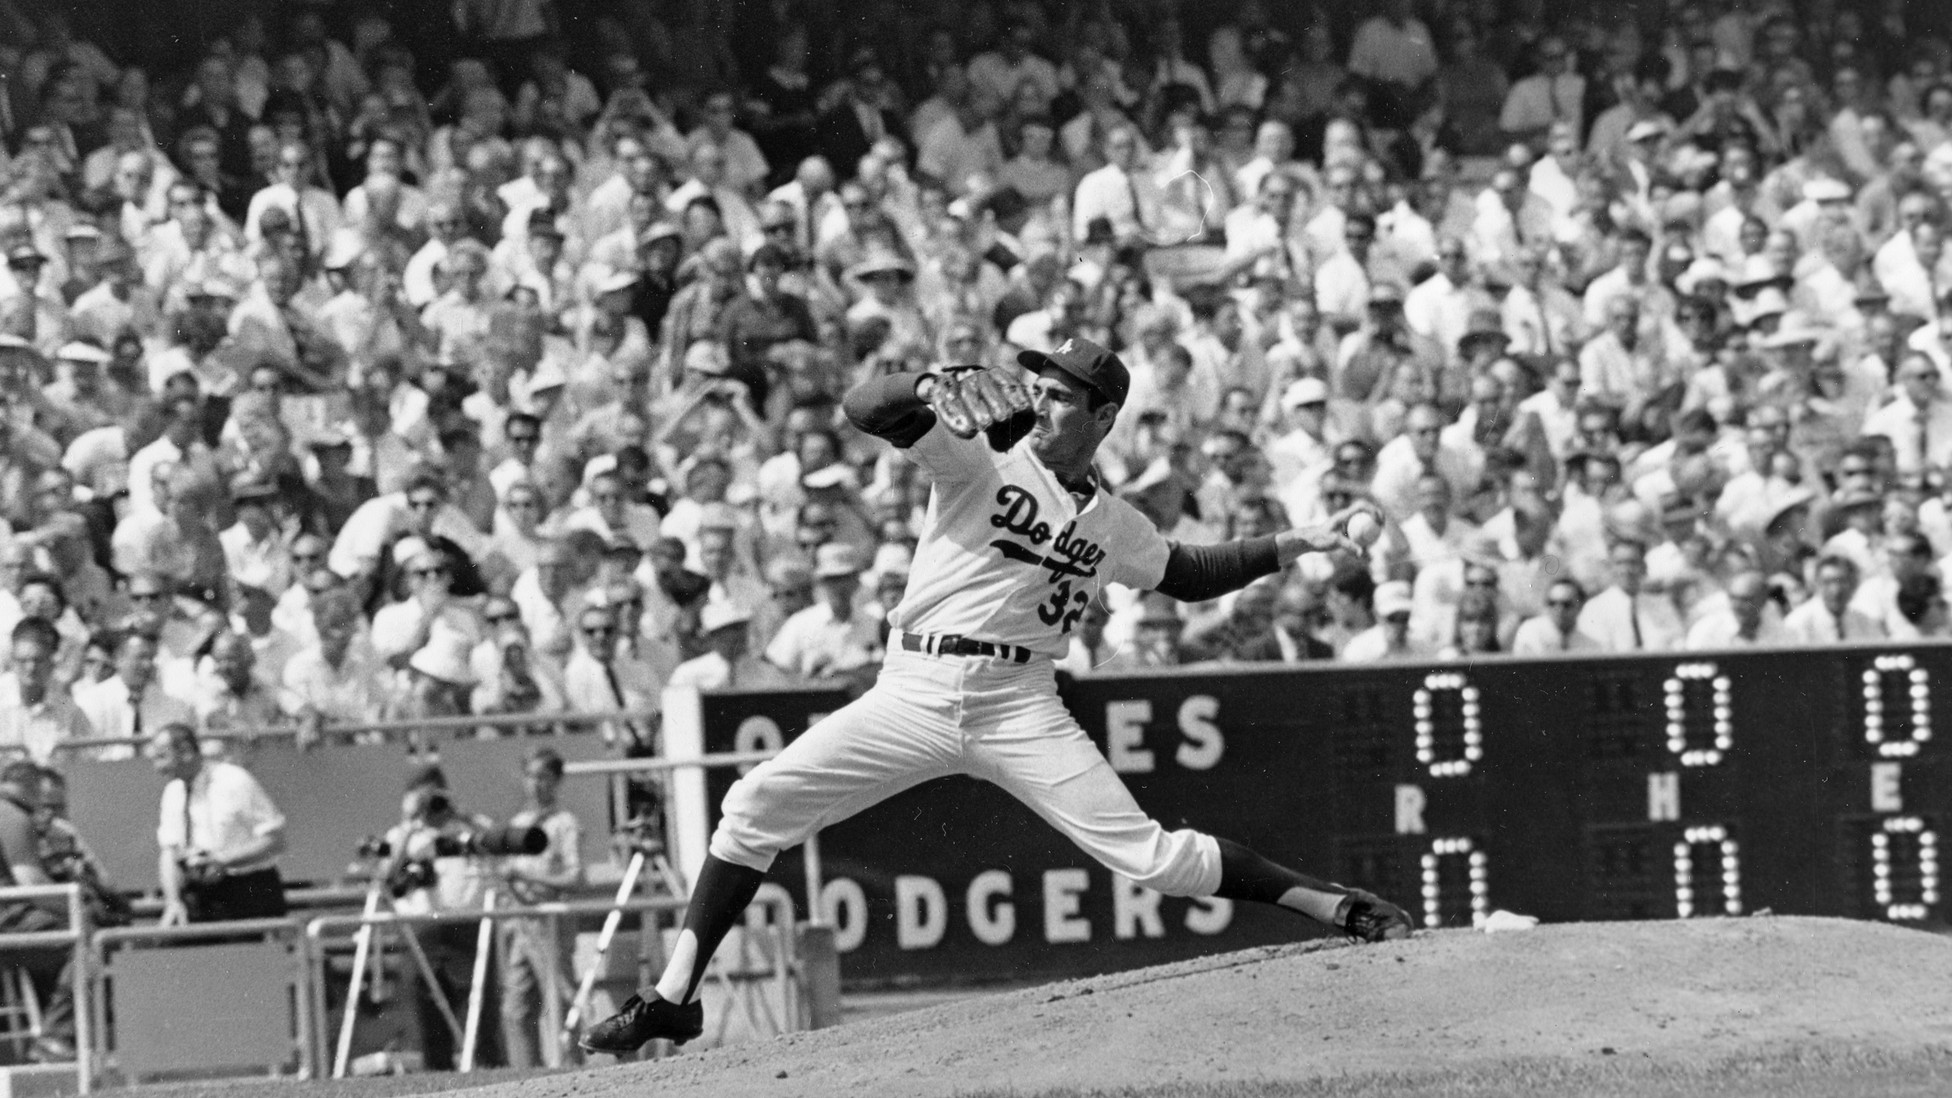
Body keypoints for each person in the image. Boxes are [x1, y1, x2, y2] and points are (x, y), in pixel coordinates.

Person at [581, 337, 1411, 1054]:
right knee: (753, 808)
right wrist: (927, 385)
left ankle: (1336, 906)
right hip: (914, 688)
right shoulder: (977, 460)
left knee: (1154, 859)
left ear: (1104, 414)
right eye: (1038, 390)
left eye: (1060, 394)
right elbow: (863, 407)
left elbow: (1189, 575)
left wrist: (1301, 540)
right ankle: (675, 1000)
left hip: (1021, 701)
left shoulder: (1114, 523)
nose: (1041, 404)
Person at [150, 722, 288, 924]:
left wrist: (222, 860)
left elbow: (275, 841)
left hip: (250, 890)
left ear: (187, 752)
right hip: (202, 893)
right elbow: (169, 852)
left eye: (162, 757)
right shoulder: (173, 792)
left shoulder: (234, 780)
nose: (157, 767)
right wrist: (173, 901)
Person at [497, 747, 583, 1068]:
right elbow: (509, 871)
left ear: (557, 781)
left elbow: (576, 877)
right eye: (530, 776)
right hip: (521, 922)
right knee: (516, 1008)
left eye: (543, 777)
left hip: (551, 923)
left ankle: (578, 1071)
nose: (535, 785)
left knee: (561, 1002)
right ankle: (526, 1077)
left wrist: (526, 875)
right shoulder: (519, 822)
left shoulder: (564, 823)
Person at [0, 760, 78, 1062]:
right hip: (7, 922)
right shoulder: (12, 816)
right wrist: (75, 911)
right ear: (32, 788)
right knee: (84, 946)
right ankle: (55, 1040)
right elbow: (30, 882)